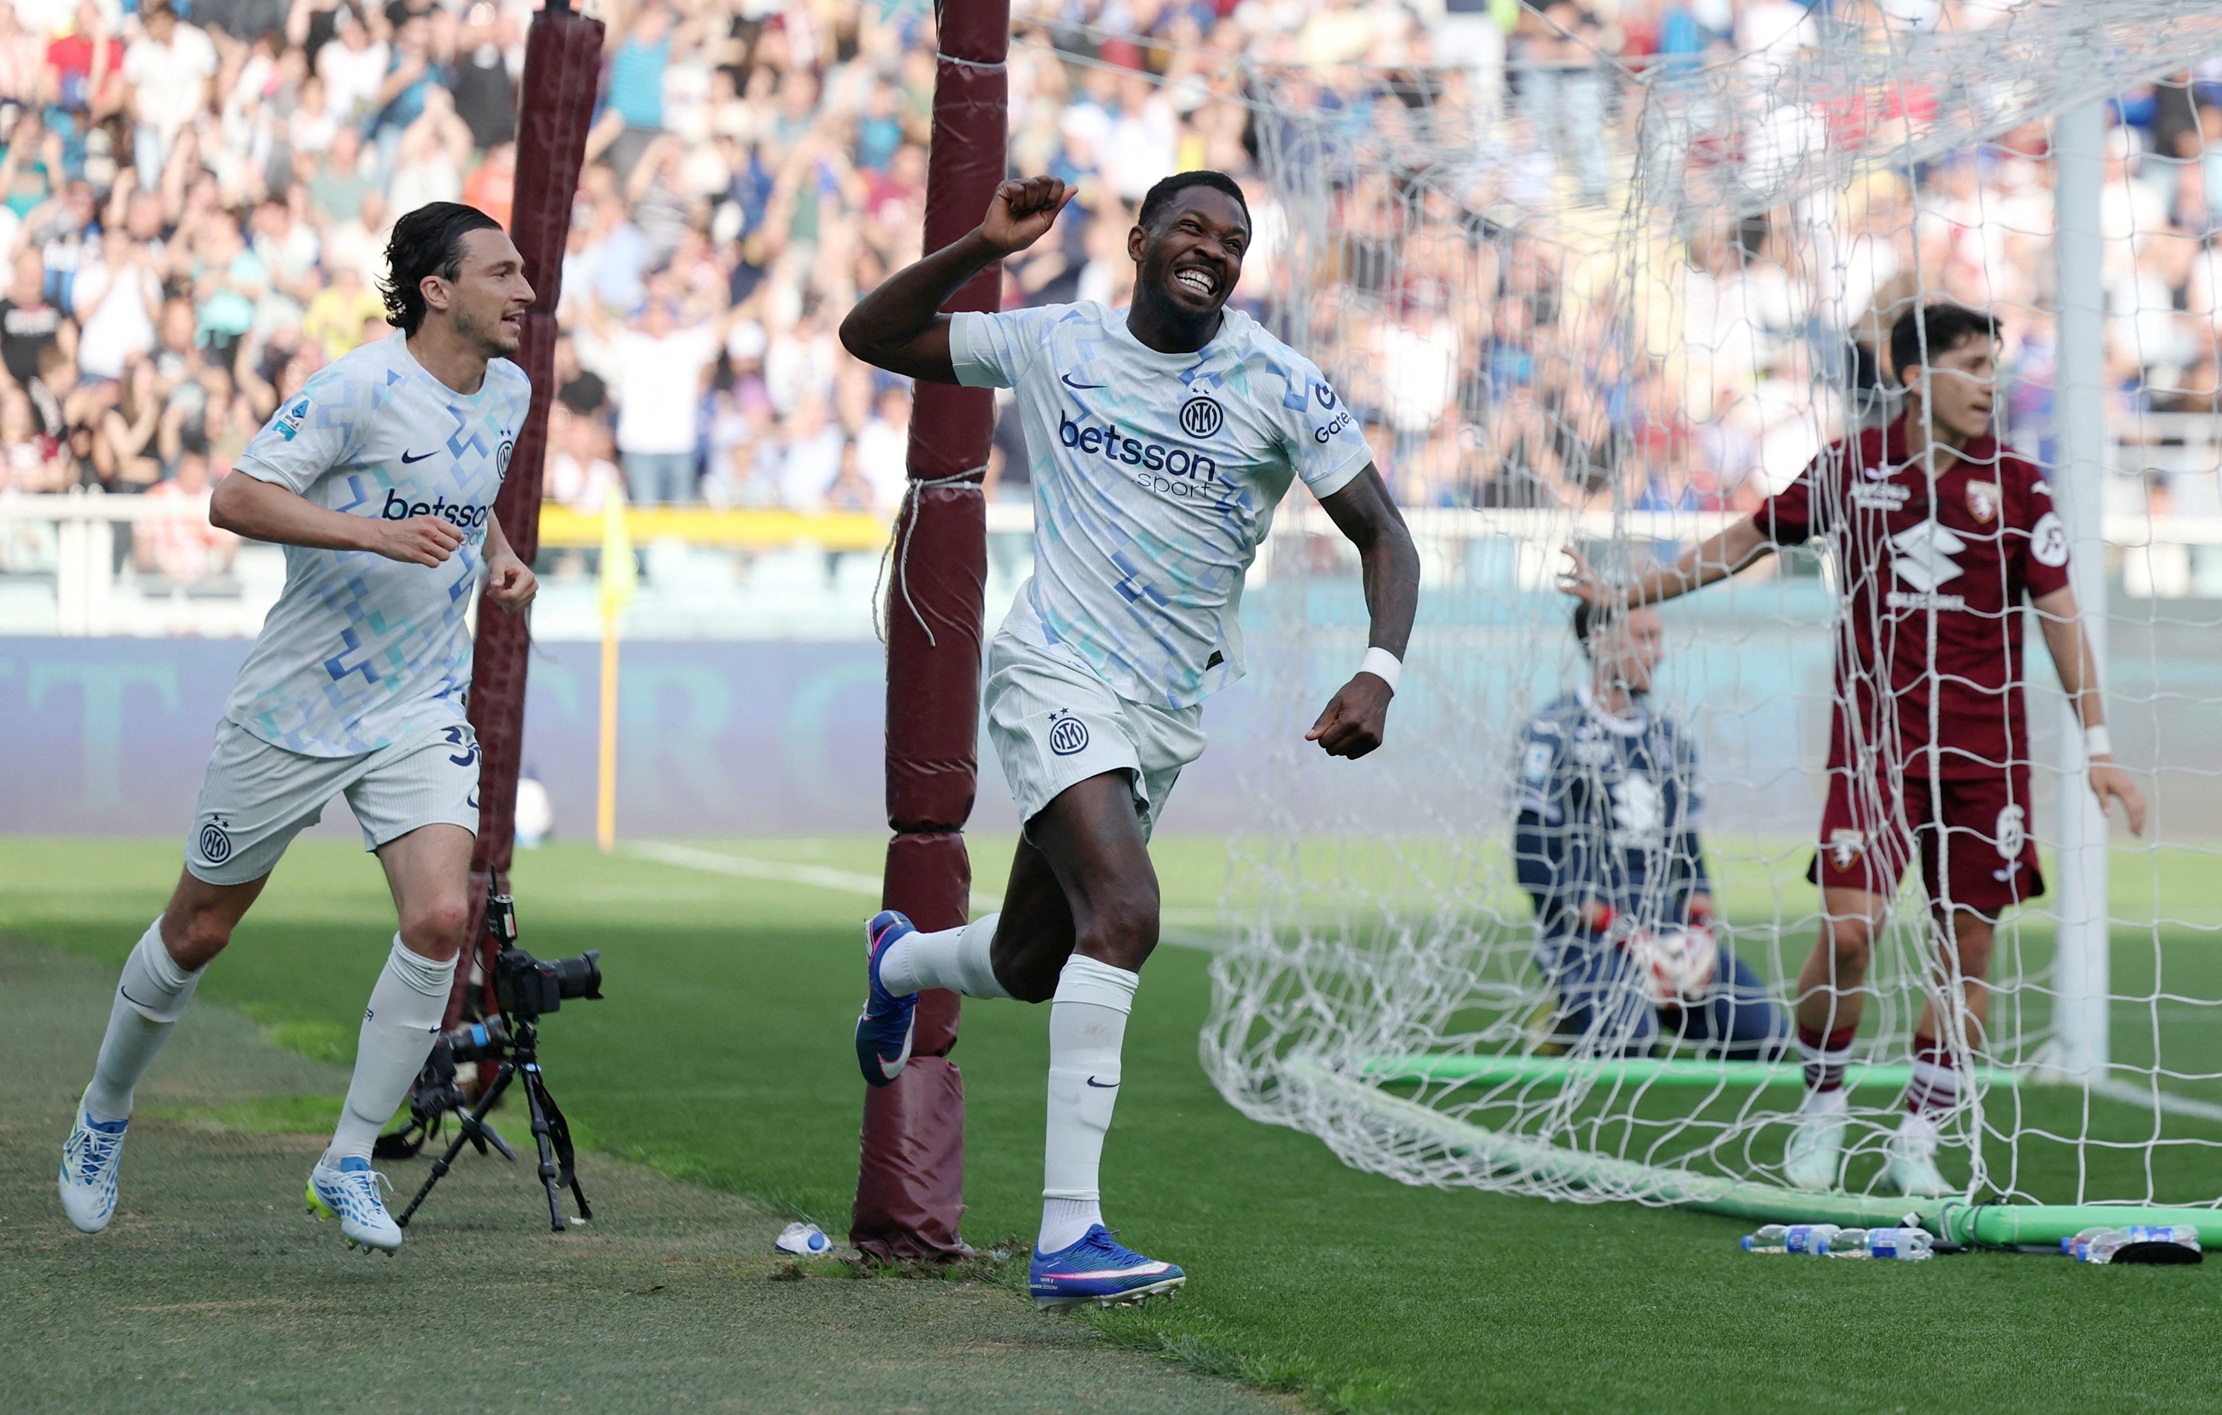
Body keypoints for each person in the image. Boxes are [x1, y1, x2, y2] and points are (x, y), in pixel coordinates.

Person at [839, 171, 1420, 1305]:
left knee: (1029, 960)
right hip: (1052, 667)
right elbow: (874, 334)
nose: (1213, 249)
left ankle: (898, 961)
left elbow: (1384, 535)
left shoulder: (1279, 383)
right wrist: (982, 244)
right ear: (1141, 239)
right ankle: (1071, 1235)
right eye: (1191, 228)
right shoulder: (1056, 341)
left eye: (1233, 240)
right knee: (1127, 911)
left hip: (1159, 711)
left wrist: (1378, 669)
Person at [1562, 301, 2147, 1196]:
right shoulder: (1851, 467)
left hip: (1986, 759)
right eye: (1973, 365)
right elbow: (1745, 540)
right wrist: (1632, 591)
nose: (1990, 383)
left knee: (1967, 954)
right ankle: (1823, 1102)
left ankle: (1917, 1134)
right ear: (1917, 377)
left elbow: (2061, 616)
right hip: (1875, 747)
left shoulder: (2020, 485)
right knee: (1849, 932)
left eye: (1994, 366)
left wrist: (2099, 743)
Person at [57, 201, 536, 1254]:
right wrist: (372, 533)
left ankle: (347, 1159)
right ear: (437, 291)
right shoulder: (358, 386)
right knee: (199, 929)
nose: (526, 290)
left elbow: (468, 484)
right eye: (501, 273)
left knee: (439, 919)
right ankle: (103, 1111)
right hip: (299, 705)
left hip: (419, 702)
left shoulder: (509, 389)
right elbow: (235, 498)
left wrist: (496, 552)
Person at [1514, 601, 1788, 1061]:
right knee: (1633, 1042)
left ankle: (1638, 1000)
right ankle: (1570, 1016)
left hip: (1666, 933)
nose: (1658, 653)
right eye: (1644, 637)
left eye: (1658, 638)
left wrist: (1698, 933)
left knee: (1767, 1039)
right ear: (1600, 642)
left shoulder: (1670, 739)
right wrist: (1620, 930)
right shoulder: (1552, 730)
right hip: (1589, 934)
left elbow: (1688, 852)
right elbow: (1532, 865)